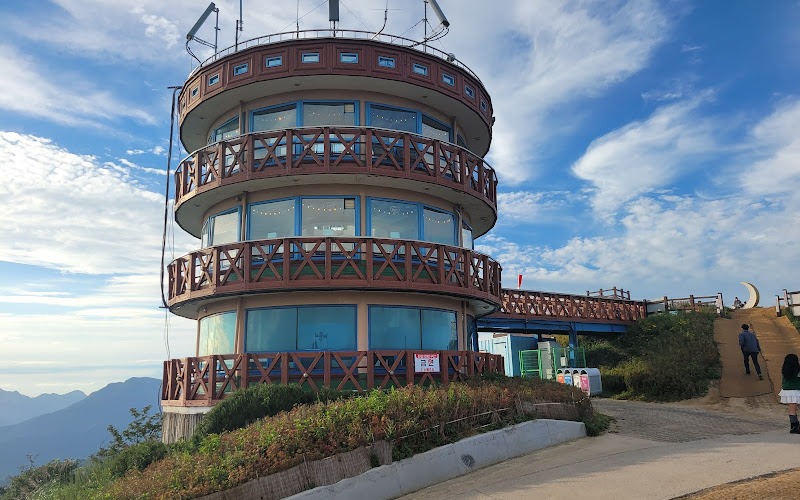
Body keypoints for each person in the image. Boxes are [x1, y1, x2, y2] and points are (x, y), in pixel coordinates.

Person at [779, 354, 800, 434]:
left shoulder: (785, 369)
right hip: (796, 390)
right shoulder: (797, 370)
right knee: (795, 409)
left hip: (787, 391)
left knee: (792, 409)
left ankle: (794, 426)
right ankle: (797, 426)